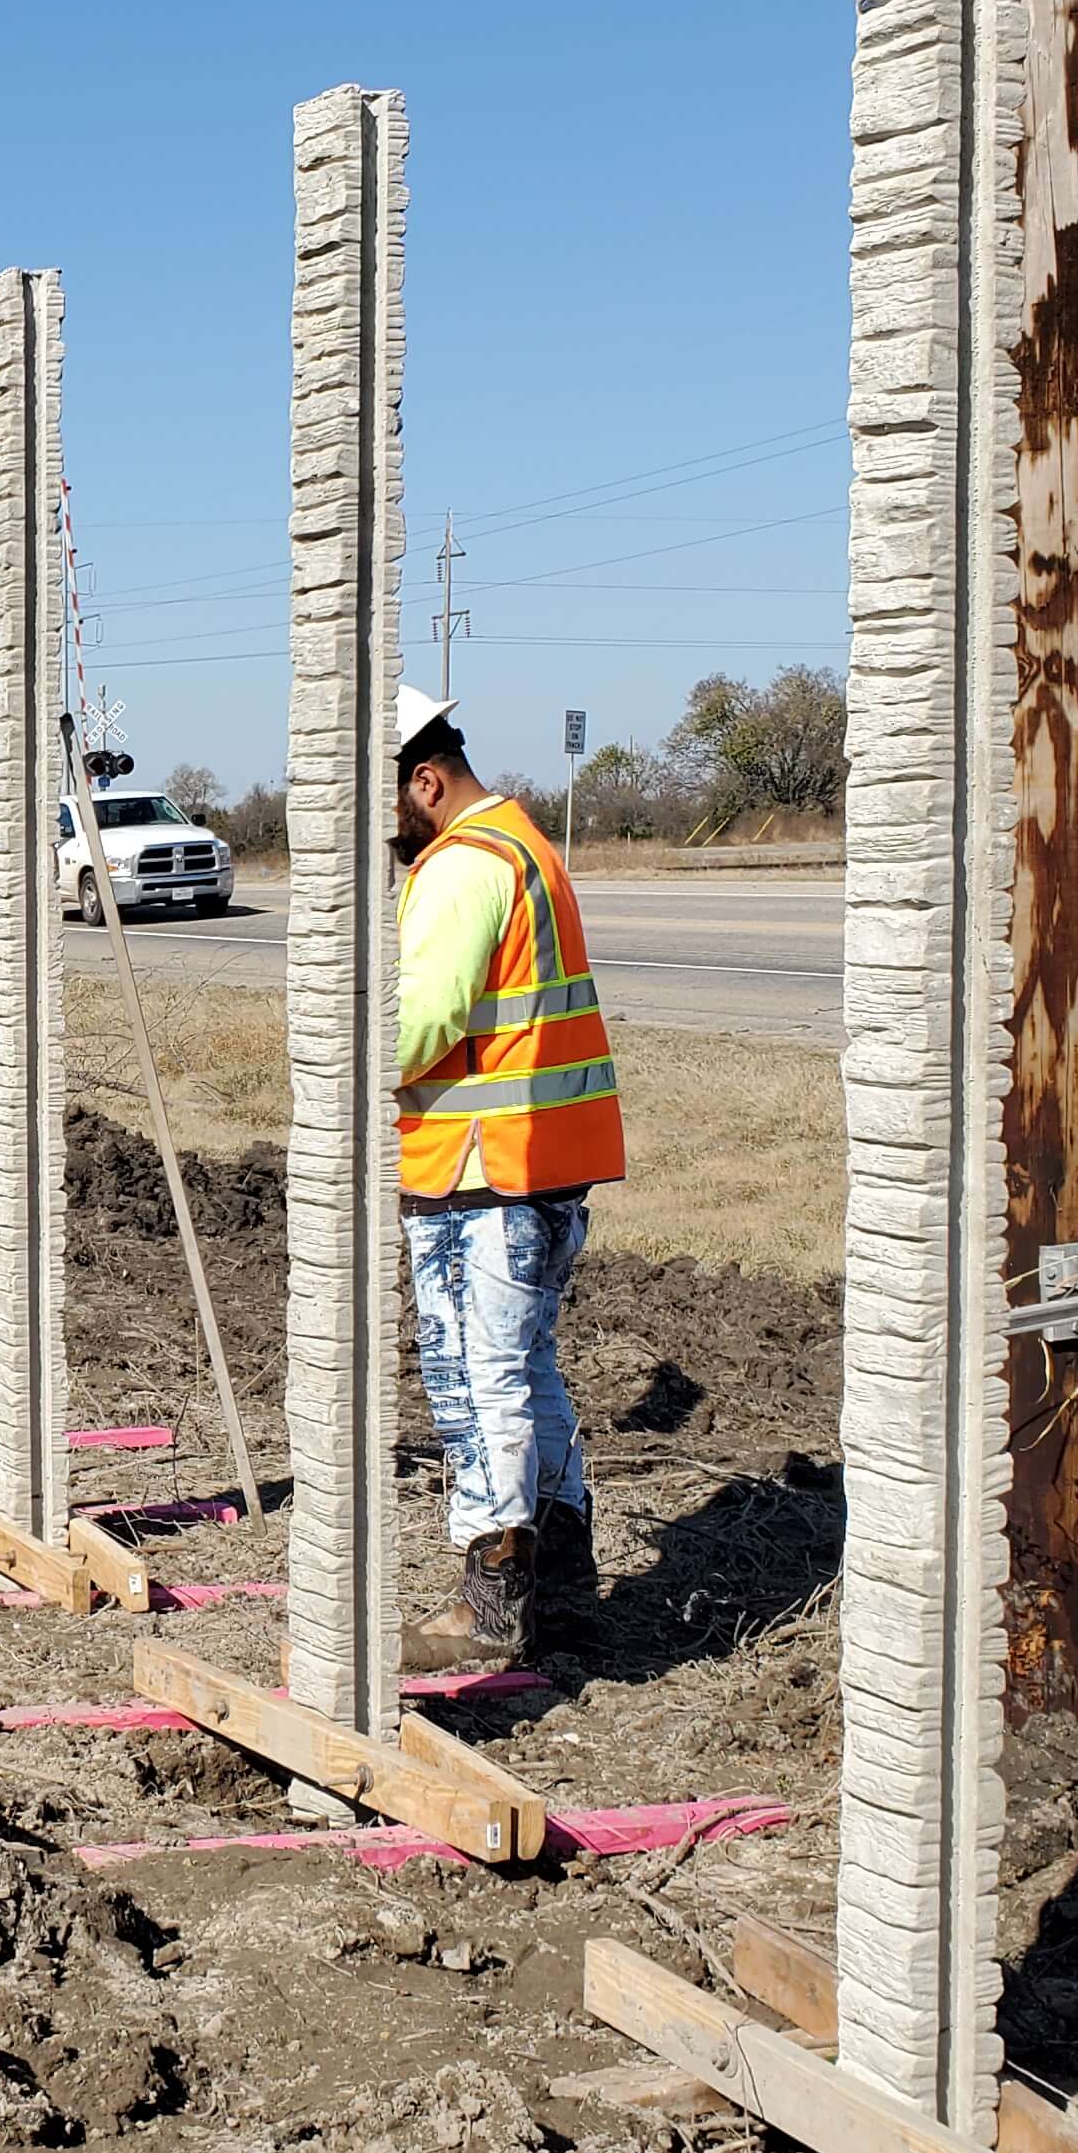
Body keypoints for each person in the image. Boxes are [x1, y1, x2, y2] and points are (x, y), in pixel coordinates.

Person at [386, 686, 628, 1668]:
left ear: (425, 781)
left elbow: (421, 1022)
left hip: (483, 1172)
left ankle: (491, 1599)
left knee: (476, 1379)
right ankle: (561, 1576)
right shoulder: (524, 845)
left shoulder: (462, 867)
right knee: (524, 1373)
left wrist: (332, 1052)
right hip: (539, 1165)